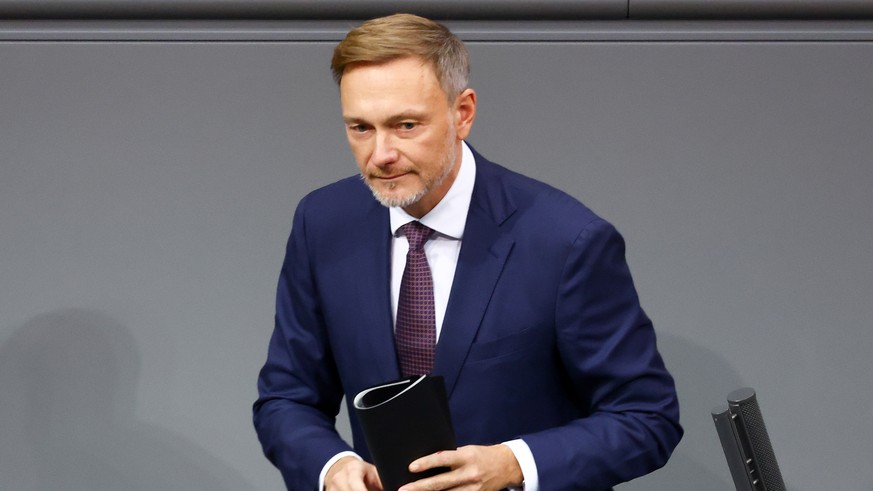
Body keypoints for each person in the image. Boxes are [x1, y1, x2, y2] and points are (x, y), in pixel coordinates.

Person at [253, 13, 682, 491]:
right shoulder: (322, 224)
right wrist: (332, 467)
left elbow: (647, 417)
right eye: (360, 128)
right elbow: (286, 398)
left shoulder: (565, 241)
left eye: (406, 125)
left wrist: (513, 464)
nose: (381, 154)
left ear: (463, 113)